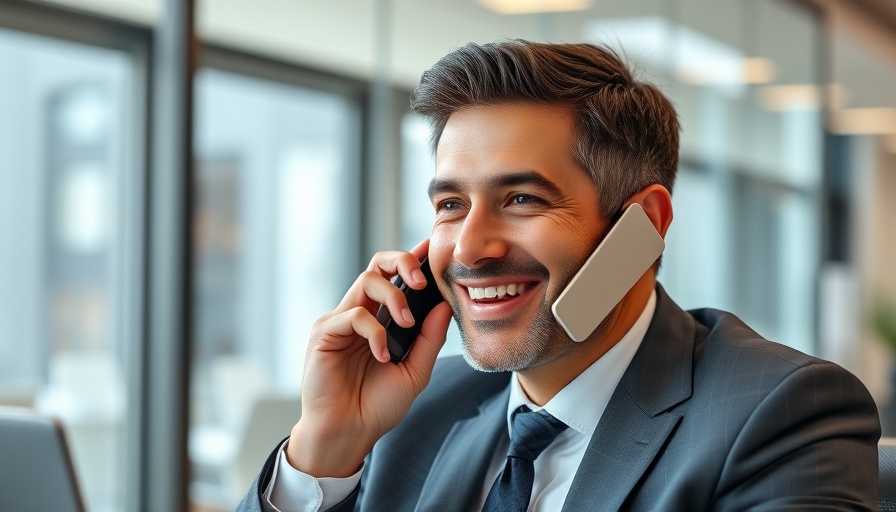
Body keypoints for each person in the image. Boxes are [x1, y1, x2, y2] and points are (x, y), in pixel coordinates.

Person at [238, 40, 880, 512]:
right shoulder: (416, 409)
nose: (471, 248)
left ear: (644, 226)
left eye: (522, 200)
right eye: (450, 205)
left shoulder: (782, 415)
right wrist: (323, 449)